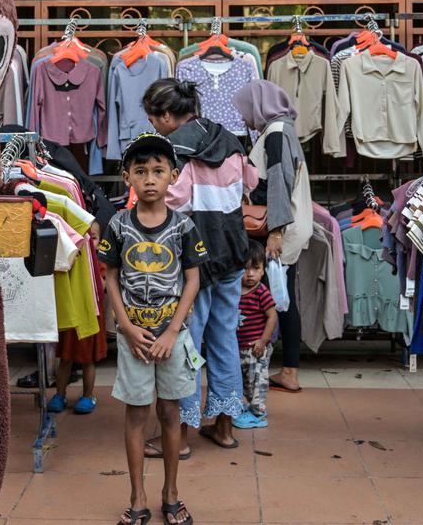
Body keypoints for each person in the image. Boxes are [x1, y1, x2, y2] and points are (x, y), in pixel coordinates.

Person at [143, 78, 258, 454]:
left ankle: (179, 437)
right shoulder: (229, 139)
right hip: (233, 250)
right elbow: (252, 180)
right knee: (224, 337)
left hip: (195, 260)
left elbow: (171, 201)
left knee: (185, 343)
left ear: (166, 115)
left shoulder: (176, 149)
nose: (152, 126)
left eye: (152, 118)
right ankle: (224, 428)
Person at [99, 132, 206, 525]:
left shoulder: (184, 227)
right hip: (135, 341)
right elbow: (110, 278)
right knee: (136, 414)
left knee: (170, 412)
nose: (149, 179)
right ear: (127, 176)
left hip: (172, 337)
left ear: (173, 177)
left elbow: (192, 280)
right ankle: (137, 496)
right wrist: (126, 328)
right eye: (140, 171)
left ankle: (170, 494)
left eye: (158, 171)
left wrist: (173, 331)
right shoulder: (118, 225)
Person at [232, 80, 312, 394]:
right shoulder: (280, 129)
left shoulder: (276, 132)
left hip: (279, 229)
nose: (243, 117)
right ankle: (287, 368)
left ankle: (289, 370)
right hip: (285, 226)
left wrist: (276, 231)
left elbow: (279, 180)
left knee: (279, 298)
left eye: (245, 109)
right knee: (281, 295)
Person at [233, 241, 278, 429]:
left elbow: (272, 316)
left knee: (257, 382)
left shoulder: (261, 292)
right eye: (245, 268)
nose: (250, 274)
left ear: (263, 271)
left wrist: (263, 340)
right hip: (240, 348)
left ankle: (258, 414)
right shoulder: (234, 291)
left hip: (256, 349)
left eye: (256, 268)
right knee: (245, 381)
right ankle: (249, 408)